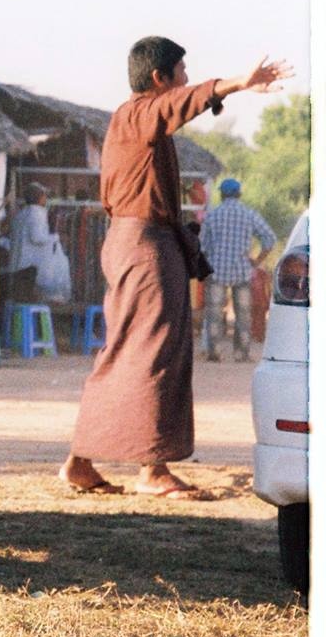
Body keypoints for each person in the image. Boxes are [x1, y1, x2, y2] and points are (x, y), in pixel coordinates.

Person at [60, 36, 291, 499]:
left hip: (139, 243)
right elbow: (181, 103)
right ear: (158, 79)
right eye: (181, 72)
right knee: (157, 351)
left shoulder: (135, 122)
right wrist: (235, 84)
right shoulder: (140, 113)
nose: (186, 79)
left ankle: (80, 461)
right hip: (145, 246)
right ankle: (153, 469)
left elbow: (178, 106)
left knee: (127, 349)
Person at [198, 177, 278, 363]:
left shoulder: (212, 215)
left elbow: (202, 246)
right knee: (243, 314)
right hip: (242, 271)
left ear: (222, 194)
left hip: (216, 270)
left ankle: (214, 352)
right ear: (239, 194)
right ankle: (241, 354)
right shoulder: (249, 214)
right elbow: (270, 238)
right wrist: (257, 261)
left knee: (214, 313)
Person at [3, 183, 53, 305]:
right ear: (40, 197)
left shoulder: (21, 214)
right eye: (44, 196)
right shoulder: (38, 213)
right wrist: (54, 238)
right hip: (29, 269)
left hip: (16, 266)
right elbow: (37, 238)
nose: (46, 199)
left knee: (19, 299)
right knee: (31, 299)